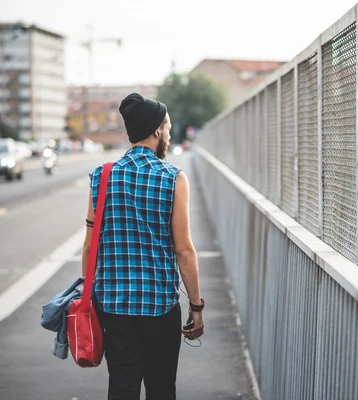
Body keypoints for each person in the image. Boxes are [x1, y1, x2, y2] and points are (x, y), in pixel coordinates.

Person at [82, 93, 204, 400]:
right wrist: (196, 305)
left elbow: (89, 247)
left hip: (114, 306)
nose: (168, 134)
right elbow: (184, 250)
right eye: (167, 128)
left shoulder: (102, 176)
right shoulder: (173, 178)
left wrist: (89, 298)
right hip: (158, 307)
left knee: (122, 388)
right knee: (161, 389)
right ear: (157, 131)